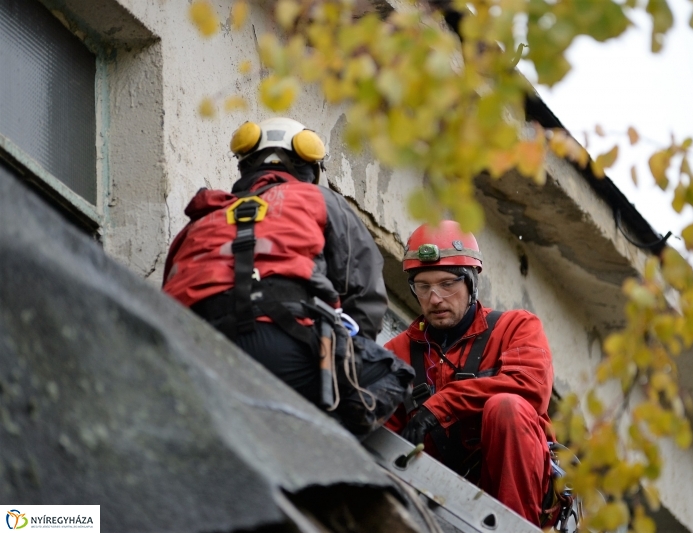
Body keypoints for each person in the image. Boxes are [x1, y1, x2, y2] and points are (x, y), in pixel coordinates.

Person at [162, 117, 388, 408]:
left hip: (189, 349)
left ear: (245, 166)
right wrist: (347, 366)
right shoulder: (321, 200)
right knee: (392, 375)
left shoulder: (201, 220)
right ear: (311, 171)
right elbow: (363, 292)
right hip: (284, 345)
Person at [384, 220, 554, 526]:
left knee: (507, 407)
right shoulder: (397, 354)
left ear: (472, 283)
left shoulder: (516, 328)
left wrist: (438, 407)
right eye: (423, 286)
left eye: (447, 284)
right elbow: (382, 438)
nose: (435, 299)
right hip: (433, 507)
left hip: (515, 498)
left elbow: (528, 388)